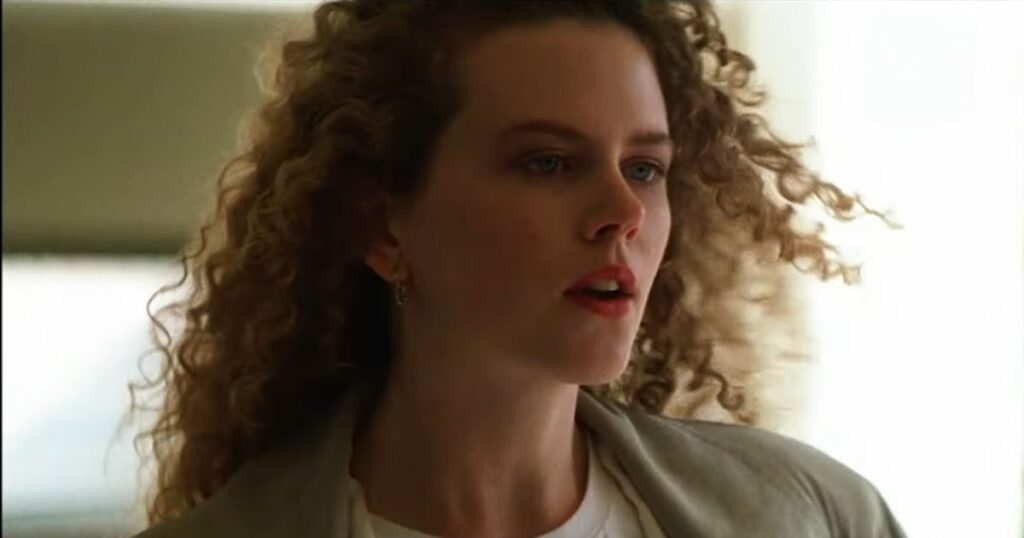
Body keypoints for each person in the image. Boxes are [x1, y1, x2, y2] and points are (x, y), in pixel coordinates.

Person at [129, 1, 905, 536]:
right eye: (548, 162)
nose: (622, 212)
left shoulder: (814, 517)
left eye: (644, 168)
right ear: (381, 226)